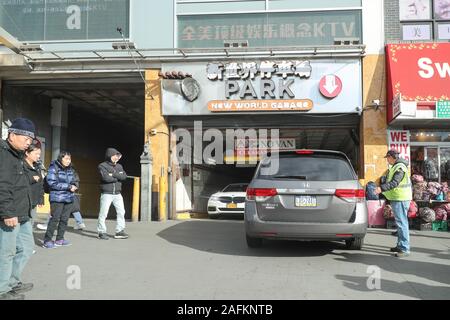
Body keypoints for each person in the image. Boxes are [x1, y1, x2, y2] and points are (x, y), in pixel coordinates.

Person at [0, 118, 36, 300]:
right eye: (26, 139)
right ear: (12, 135)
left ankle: (12, 282)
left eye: (31, 140)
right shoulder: (4, 155)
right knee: (6, 252)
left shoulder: (18, 155)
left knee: (26, 248)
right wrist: (7, 212)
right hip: (10, 213)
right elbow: (2, 185)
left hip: (22, 213)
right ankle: (2, 290)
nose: (28, 143)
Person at [375, 149, 413, 258]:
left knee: (402, 224)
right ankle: (400, 246)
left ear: (392, 157)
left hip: (401, 198)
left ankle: (405, 248)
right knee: (400, 223)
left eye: (387, 158)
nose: (387, 160)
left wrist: (381, 189)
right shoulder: (396, 166)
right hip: (398, 198)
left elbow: (395, 183)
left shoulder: (399, 167)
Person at [42, 151, 78, 248]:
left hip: (69, 197)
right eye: (66, 158)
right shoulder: (53, 167)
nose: (68, 161)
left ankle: (59, 239)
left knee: (64, 219)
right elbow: (52, 183)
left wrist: (74, 185)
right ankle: (47, 240)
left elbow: (75, 180)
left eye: (69, 159)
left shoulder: (71, 169)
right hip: (57, 198)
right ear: (60, 158)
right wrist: (68, 186)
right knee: (54, 219)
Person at [97, 148, 129, 240]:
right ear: (109, 156)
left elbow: (124, 177)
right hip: (106, 193)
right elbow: (105, 178)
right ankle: (101, 232)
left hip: (118, 193)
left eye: (118, 156)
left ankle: (119, 231)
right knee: (103, 213)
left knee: (121, 212)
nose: (116, 158)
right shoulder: (102, 166)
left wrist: (113, 174)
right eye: (114, 156)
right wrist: (118, 176)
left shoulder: (119, 166)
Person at [24, 140, 45, 228]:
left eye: (39, 154)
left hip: (34, 201)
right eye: (36, 153)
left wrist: (41, 199)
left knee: (30, 224)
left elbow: (41, 185)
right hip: (24, 201)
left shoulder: (37, 167)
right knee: (24, 225)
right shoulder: (22, 165)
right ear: (27, 153)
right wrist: (32, 179)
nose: (38, 156)